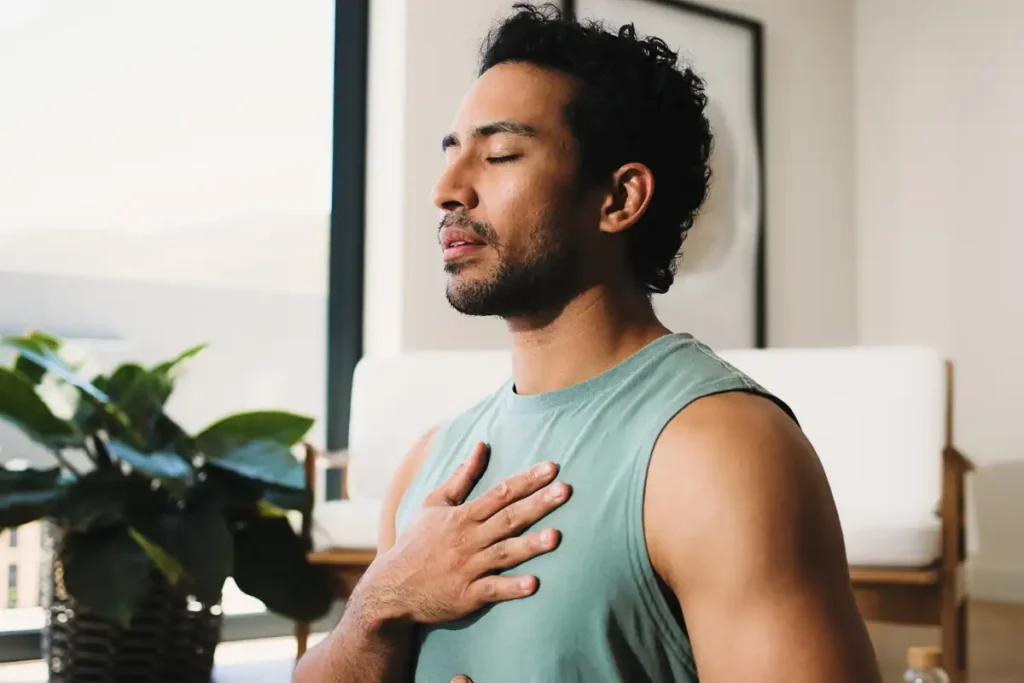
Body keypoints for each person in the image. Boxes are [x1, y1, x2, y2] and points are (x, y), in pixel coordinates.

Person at [293, 4, 881, 682]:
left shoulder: (724, 452)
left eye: (500, 154)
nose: (446, 190)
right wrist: (378, 603)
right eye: (451, 154)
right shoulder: (429, 462)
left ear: (619, 198)